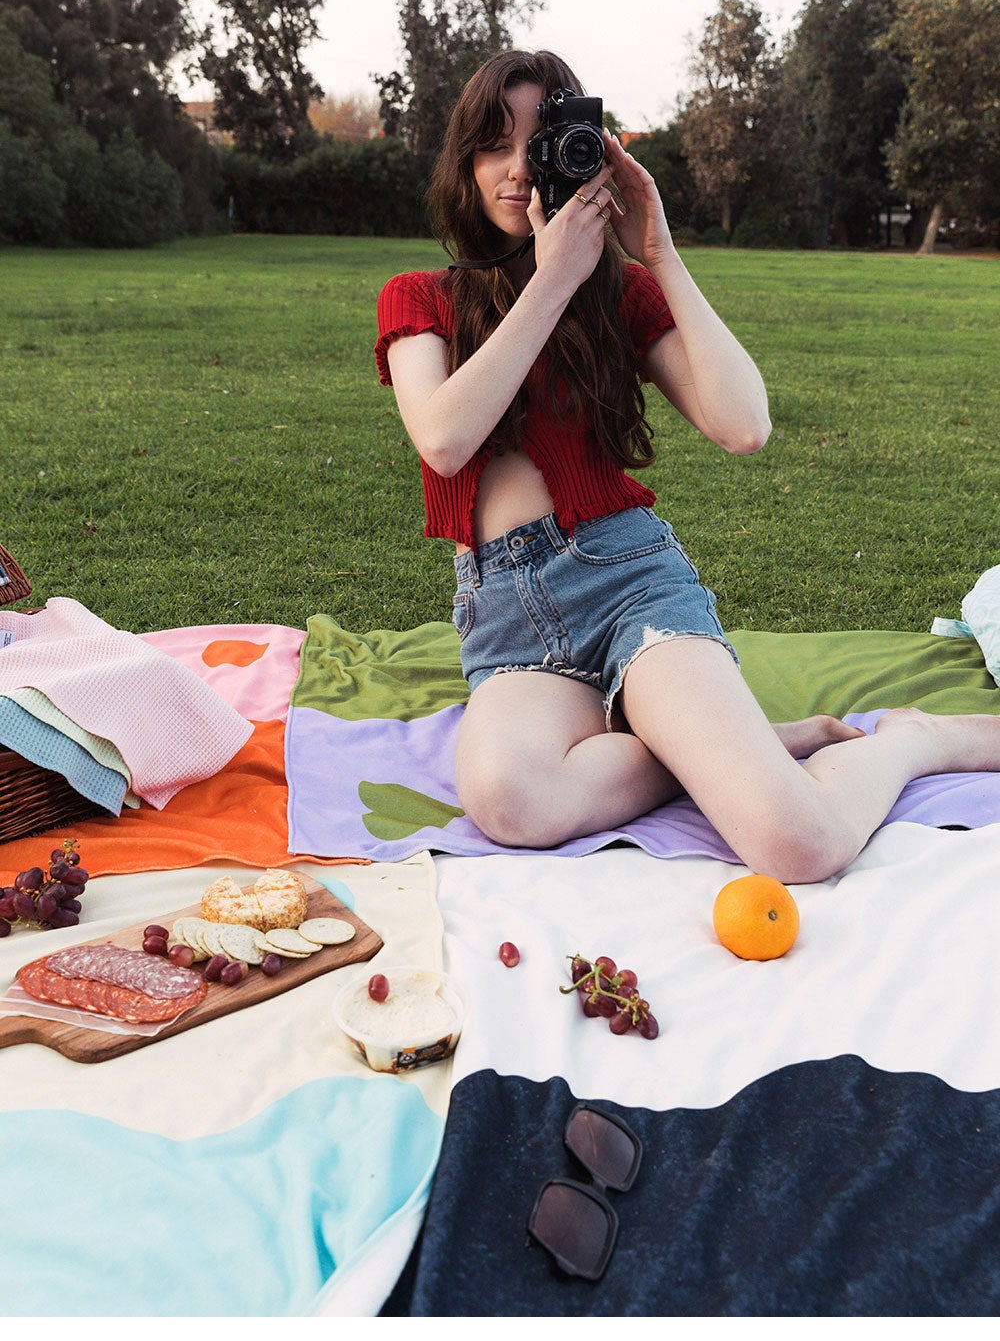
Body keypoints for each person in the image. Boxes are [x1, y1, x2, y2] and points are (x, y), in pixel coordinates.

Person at [376, 46, 999, 874]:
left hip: (627, 579)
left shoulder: (621, 298)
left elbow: (745, 425)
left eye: (545, 140)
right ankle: (737, 746)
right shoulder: (420, 296)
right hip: (509, 618)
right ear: (466, 163)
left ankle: (915, 743)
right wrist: (552, 277)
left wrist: (659, 253)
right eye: (498, 143)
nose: (521, 168)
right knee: (510, 801)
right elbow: (445, 438)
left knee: (800, 845)